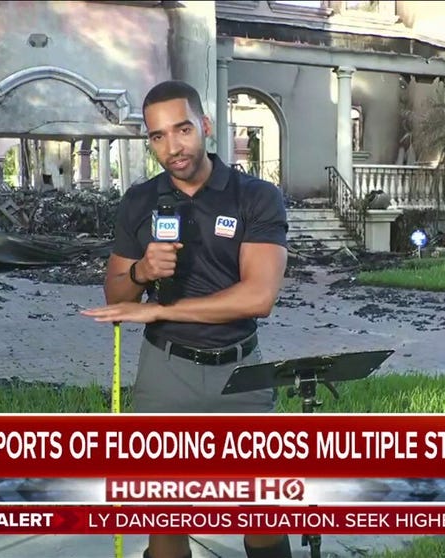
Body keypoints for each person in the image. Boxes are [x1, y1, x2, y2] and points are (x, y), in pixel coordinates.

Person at [82, 80, 292, 558]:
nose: (173, 147)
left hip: (241, 373)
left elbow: (258, 297)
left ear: (206, 126)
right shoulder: (139, 201)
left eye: (182, 130)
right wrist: (141, 270)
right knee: (167, 521)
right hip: (166, 370)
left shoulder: (255, 197)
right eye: (158, 136)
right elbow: (117, 294)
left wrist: (159, 309)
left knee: (261, 516)